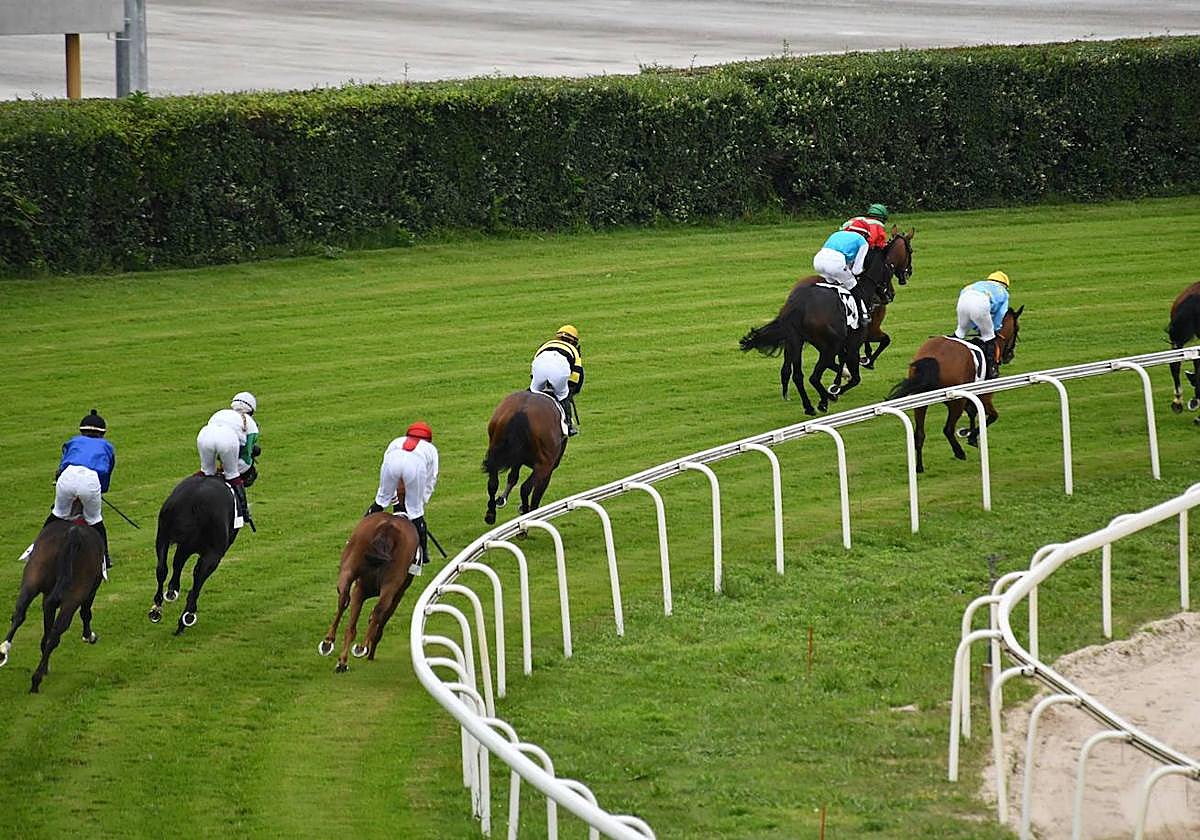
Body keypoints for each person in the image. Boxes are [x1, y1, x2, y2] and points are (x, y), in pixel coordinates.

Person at [21, 409, 116, 569]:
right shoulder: (107, 446)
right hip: (90, 481)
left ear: (81, 431)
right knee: (95, 520)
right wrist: (101, 490)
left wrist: (59, 480)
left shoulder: (73, 441)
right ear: (102, 433)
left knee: (57, 514)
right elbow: (106, 472)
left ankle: (36, 549)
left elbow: (62, 467)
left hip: (68, 476)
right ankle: (105, 557)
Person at [365, 421, 439, 575]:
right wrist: (421, 501)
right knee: (416, 512)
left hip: (391, 462)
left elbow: (386, 463)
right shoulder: (431, 449)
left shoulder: (396, 441)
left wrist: (392, 498)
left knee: (380, 502)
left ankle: (357, 537)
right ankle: (423, 556)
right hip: (415, 467)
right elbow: (431, 478)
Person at [196, 391, 260, 530]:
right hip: (226, 440)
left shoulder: (220, 413)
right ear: (251, 411)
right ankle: (244, 513)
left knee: (205, 472)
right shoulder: (251, 424)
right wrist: (227, 471)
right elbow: (246, 459)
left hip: (203, 436)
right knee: (233, 475)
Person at [955, 271, 1011, 379]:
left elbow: (970, 311)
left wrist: (976, 325)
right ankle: (991, 369)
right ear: (1004, 285)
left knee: (961, 332)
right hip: (980, 303)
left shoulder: (978, 284)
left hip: (963, 300)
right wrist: (995, 328)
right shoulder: (1003, 292)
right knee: (989, 336)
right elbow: (1001, 314)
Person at [530, 324, 585, 436]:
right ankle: (569, 425)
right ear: (573, 341)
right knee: (563, 395)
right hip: (558, 372)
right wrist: (570, 389)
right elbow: (576, 375)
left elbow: (534, 366)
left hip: (539, 369)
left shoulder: (546, 344)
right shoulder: (573, 350)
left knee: (533, 392)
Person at [813, 226, 871, 324]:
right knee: (853, 285)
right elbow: (856, 270)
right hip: (835, 263)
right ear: (864, 234)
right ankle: (862, 316)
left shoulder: (837, 234)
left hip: (818, 261)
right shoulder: (862, 241)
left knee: (832, 283)